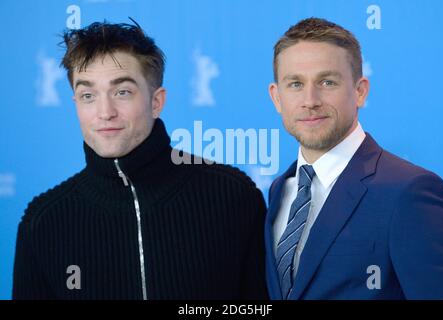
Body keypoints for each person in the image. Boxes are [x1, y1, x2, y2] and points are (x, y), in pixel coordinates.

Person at [13, 21, 268, 300]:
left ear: (156, 102)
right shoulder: (45, 221)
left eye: (122, 92)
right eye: (88, 95)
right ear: (76, 103)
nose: (105, 112)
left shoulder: (232, 195)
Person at [265, 17, 443, 299]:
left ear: (360, 91)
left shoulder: (410, 191)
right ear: (277, 97)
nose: (310, 100)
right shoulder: (281, 190)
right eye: (295, 84)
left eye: (327, 82)